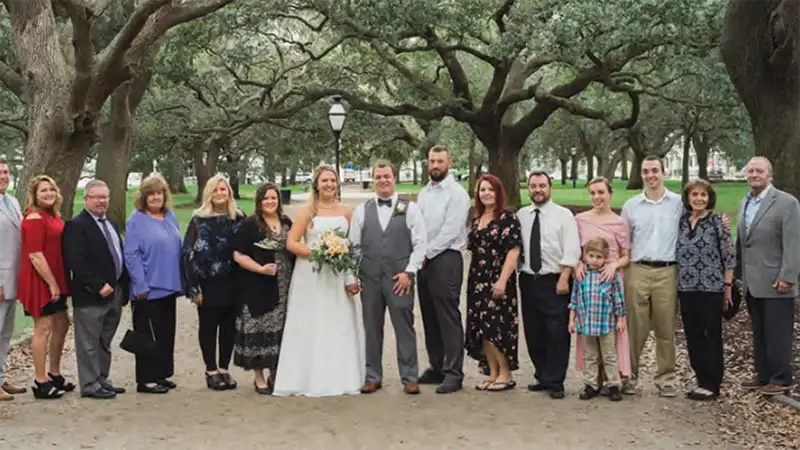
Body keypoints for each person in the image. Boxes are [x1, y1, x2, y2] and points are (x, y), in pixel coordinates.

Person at [272, 165, 365, 397]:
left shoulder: (347, 212)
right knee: (312, 322)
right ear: (317, 184)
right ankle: (306, 376)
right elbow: (291, 242)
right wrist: (317, 253)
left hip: (336, 275)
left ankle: (340, 376)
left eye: (333, 181)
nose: (329, 185)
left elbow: (354, 247)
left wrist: (350, 275)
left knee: (337, 321)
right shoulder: (307, 211)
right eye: (325, 181)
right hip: (311, 274)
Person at [348, 161, 427, 395]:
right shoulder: (362, 210)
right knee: (371, 328)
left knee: (404, 327)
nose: (383, 180)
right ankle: (372, 376)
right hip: (370, 278)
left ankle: (410, 377)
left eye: (387, 176)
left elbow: (421, 243)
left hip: (400, 279)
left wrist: (409, 272)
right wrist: (353, 276)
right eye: (378, 177)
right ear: (373, 180)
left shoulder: (410, 209)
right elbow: (354, 246)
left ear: (395, 178)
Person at [736, 156, 800, 396]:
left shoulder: (786, 203)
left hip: (777, 282)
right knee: (760, 331)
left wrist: (788, 276)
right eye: (750, 170)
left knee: (778, 333)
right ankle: (763, 375)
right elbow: (744, 242)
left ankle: (781, 378)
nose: (754, 174)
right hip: (753, 282)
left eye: (759, 171)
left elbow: (794, 243)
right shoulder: (745, 203)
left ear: (769, 175)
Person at [620, 155, 683, 397]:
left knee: (665, 327)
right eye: (646, 171)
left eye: (655, 170)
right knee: (635, 328)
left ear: (663, 173)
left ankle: (666, 378)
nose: (651, 175)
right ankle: (630, 376)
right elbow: (624, 241)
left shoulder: (678, 203)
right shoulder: (631, 206)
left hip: (667, 270)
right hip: (638, 269)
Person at [62, 180, 129, 399]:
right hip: (91, 294)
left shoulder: (110, 223)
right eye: (97, 197)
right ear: (86, 198)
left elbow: (118, 254)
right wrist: (98, 285)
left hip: (115, 293)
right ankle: (90, 384)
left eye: (105, 197)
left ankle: (102, 378)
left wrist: (122, 287)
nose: (102, 201)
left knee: (104, 341)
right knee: (88, 342)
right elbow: (76, 261)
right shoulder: (76, 225)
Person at [518, 170, 581, 399]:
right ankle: (542, 375)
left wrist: (565, 277)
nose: (538, 190)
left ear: (549, 187)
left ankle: (555, 381)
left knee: (556, 332)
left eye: (542, 186)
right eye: (533, 186)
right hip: (528, 279)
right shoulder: (522, 215)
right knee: (533, 331)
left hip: (555, 279)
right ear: (528, 189)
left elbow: (572, 248)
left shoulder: (564, 215)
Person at [416, 145, 471, 394]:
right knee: (428, 313)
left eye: (440, 161)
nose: (435, 165)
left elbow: (451, 229)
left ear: (449, 162)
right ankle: (436, 365)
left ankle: (453, 372)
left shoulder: (457, 194)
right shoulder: (425, 192)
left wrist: (427, 252)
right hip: (424, 259)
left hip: (446, 258)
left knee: (447, 315)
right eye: (432, 161)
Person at [183, 174, 245, 391]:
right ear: (209, 193)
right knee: (209, 327)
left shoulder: (238, 218)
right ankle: (211, 370)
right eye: (216, 190)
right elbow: (188, 254)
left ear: (229, 193)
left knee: (229, 328)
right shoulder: (199, 220)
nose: (220, 194)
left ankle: (224, 368)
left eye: (224, 190)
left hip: (234, 282)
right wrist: (193, 287)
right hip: (207, 283)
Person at [676, 179, 736, 401]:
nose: (699, 199)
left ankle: (713, 383)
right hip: (686, 288)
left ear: (709, 198)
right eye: (695, 195)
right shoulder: (682, 222)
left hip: (712, 288)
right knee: (692, 335)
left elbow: (729, 257)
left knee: (711, 335)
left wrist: (728, 287)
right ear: (688, 198)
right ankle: (701, 379)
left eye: (703, 195)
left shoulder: (718, 222)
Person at [232, 182, 295, 395]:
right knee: (258, 329)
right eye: (266, 198)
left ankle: (276, 373)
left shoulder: (286, 222)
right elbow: (238, 254)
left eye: (273, 198)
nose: (270, 202)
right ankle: (258, 377)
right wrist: (259, 268)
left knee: (281, 331)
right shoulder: (251, 225)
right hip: (258, 284)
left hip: (284, 284)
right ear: (259, 202)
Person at [17, 175, 74, 399]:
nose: (49, 193)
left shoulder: (51, 215)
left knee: (63, 323)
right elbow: (35, 256)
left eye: (51, 189)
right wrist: (52, 284)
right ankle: (40, 381)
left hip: (57, 279)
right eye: (43, 191)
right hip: (40, 281)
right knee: (43, 327)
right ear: (34, 195)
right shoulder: (33, 219)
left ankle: (54, 373)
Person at [124, 175, 183, 394]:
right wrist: (140, 284)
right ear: (144, 197)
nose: (156, 197)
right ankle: (146, 379)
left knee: (166, 333)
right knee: (146, 335)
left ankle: (160, 373)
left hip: (169, 286)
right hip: (147, 289)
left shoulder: (169, 217)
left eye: (159, 193)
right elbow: (131, 254)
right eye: (151, 193)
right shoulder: (137, 220)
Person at [573, 177, 631, 393]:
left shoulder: (619, 223)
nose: (597, 197)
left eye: (601, 193)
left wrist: (614, 265)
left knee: (611, 333)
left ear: (610, 194)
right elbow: (576, 250)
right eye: (593, 193)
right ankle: (592, 379)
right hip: (587, 280)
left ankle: (613, 378)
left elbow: (626, 255)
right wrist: (578, 263)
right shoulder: (580, 220)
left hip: (610, 280)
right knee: (589, 334)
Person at [465, 174, 522, 392]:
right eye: (482, 190)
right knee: (481, 328)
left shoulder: (508, 218)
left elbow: (513, 251)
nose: (486, 193)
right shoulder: (476, 219)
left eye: (491, 189)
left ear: (498, 193)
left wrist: (502, 280)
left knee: (497, 327)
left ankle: (505, 374)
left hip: (498, 280)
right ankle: (493, 372)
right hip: (477, 280)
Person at [569, 237, 627, 402]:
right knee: (590, 355)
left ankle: (613, 384)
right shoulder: (581, 275)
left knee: (609, 355)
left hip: (606, 324)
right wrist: (572, 320)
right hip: (586, 323)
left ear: (605, 258)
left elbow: (618, 298)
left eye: (599, 257)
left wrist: (621, 318)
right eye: (592, 256)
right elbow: (574, 299)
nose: (594, 260)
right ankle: (591, 385)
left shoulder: (610, 276)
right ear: (586, 255)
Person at [0, 157, 25, 400]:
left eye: (6, 172)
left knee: (5, 333)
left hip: (13, 279)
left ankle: (1, 377)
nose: (4, 176)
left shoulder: (13, 202)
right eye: (0, 172)